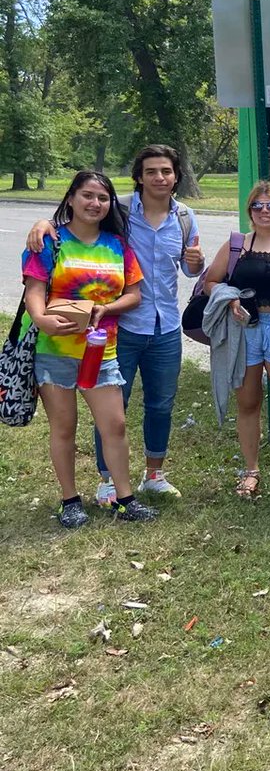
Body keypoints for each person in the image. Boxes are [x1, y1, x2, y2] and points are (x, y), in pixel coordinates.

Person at [25, 144, 204, 503]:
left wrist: (197, 262)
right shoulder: (118, 209)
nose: (159, 178)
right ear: (139, 176)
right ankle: (107, 479)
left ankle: (154, 474)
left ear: (176, 177)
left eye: (166, 172)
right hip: (117, 329)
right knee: (111, 409)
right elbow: (76, 221)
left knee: (161, 403)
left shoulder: (185, 217)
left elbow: (189, 269)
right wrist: (43, 222)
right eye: (151, 171)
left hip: (164, 325)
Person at [21, 171, 158, 526]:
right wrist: (42, 319)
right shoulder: (50, 241)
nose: (95, 203)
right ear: (71, 199)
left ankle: (124, 499)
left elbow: (134, 294)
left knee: (114, 425)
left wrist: (106, 309)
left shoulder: (117, 245)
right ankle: (70, 501)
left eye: (102, 197)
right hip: (55, 350)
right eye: (87, 195)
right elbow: (34, 289)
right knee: (63, 427)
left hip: (102, 349)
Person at [204, 182, 270, 498]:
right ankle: (251, 471)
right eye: (258, 206)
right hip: (245, 330)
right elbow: (211, 281)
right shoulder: (237, 244)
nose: (265, 211)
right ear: (250, 210)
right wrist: (230, 299)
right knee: (249, 403)